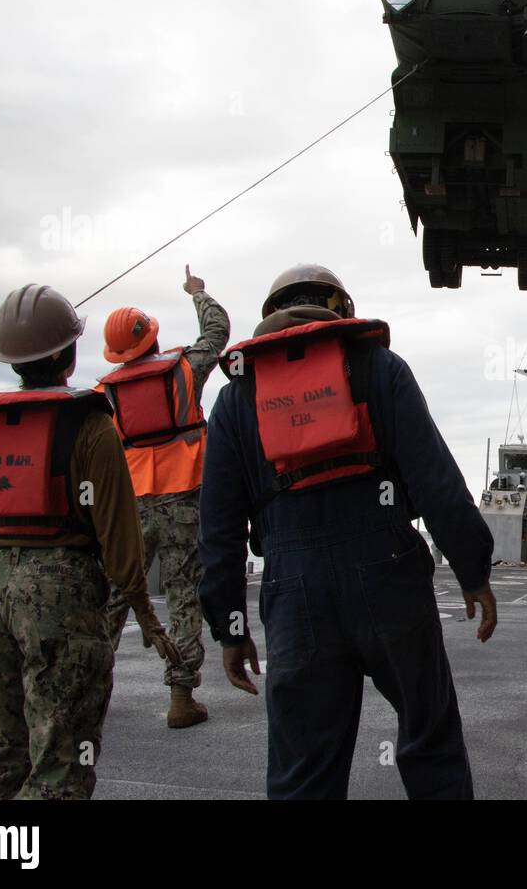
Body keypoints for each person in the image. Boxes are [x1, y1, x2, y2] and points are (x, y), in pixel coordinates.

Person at [198, 264, 496, 799]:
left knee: (304, 770)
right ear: (342, 308)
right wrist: (473, 571)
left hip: (294, 590)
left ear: (269, 318)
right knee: (431, 742)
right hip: (389, 575)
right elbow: (437, 483)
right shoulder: (380, 367)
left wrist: (230, 625)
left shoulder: (235, 399)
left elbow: (218, 528)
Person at [0, 283, 181, 799]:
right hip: (59, 593)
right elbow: (119, 536)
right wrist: (143, 609)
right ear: (69, 355)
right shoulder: (90, 424)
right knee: (61, 757)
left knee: (7, 741)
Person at [98, 265, 229, 728]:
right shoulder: (184, 371)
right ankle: (180, 697)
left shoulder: (104, 394)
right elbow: (218, 330)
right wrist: (198, 292)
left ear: (116, 352)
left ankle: (88, 691)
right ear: (153, 337)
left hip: (131, 505)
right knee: (182, 595)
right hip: (185, 498)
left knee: (113, 596)